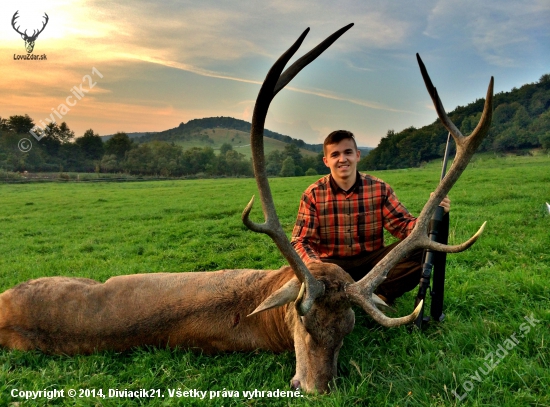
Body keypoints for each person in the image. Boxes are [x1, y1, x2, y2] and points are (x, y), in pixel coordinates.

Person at [290, 130, 450, 303]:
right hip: (332, 266)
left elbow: (404, 226)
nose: (342, 159)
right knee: (303, 270)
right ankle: (359, 296)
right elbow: (300, 241)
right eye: (335, 154)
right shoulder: (313, 194)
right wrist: (318, 269)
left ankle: (381, 295)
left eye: (348, 152)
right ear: (326, 161)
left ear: (357, 155)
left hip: (373, 263)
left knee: (421, 245)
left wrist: (432, 213)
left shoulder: (379, 189)